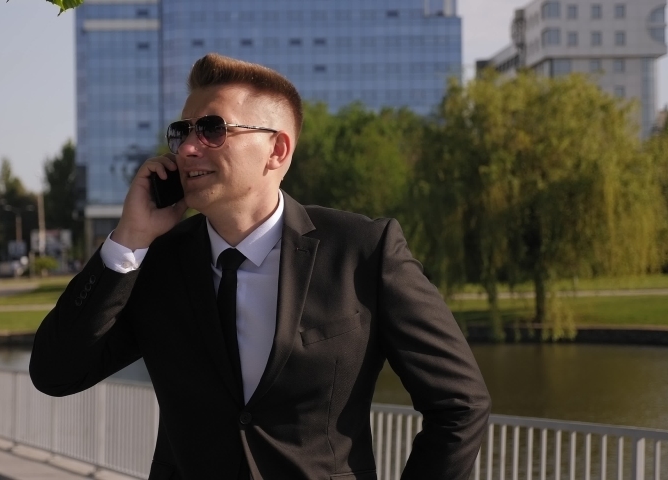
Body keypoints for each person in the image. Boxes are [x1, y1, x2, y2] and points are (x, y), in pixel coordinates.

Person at [30, 53, 491, 480]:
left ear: (277, 150)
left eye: (211, 129)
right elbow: (55, 373)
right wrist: (128, 240)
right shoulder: (155, 262)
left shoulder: (364, 252)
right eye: (182, 132)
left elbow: (460, 404)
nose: (188, 149)